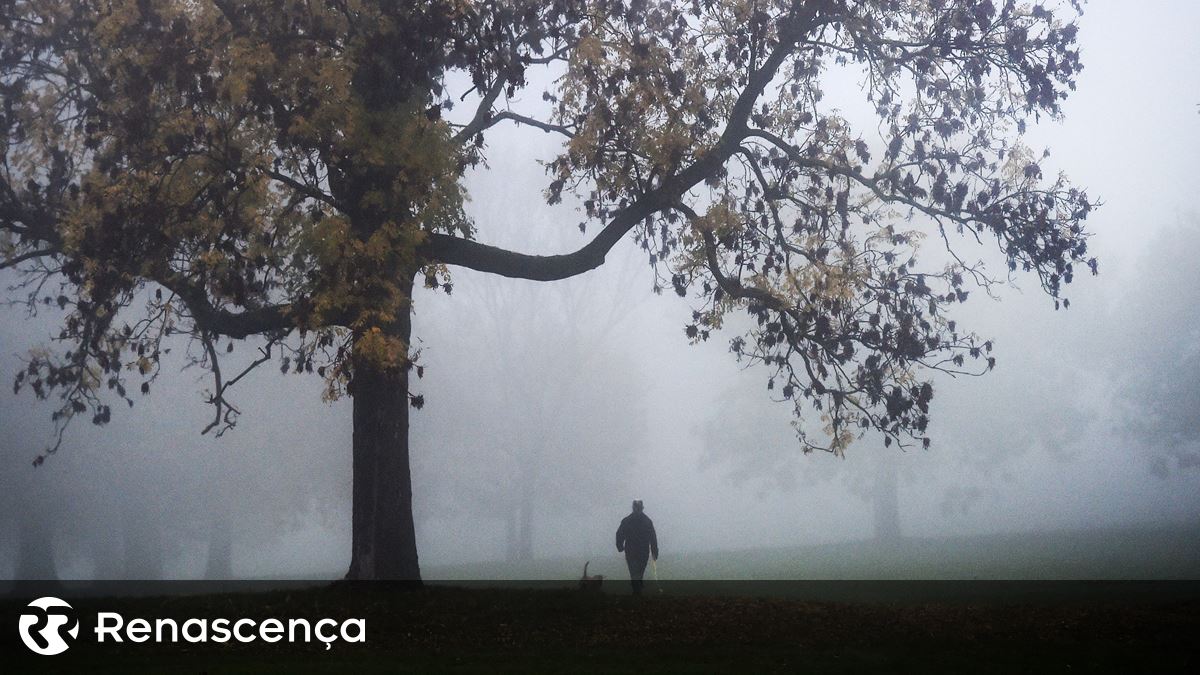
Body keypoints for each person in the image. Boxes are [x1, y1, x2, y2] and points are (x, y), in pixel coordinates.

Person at [615, 499, 658, 595]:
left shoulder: (647, 521)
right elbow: (620, 534)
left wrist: (655, 551)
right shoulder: (627, 521)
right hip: (632, 552)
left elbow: (653, 537)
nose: (637, 510)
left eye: (639, 508)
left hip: (642, 552)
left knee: (639, 571)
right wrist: (619, 546)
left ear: (642, 508)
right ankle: (637, 590)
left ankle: (637, 589)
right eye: (636, 508)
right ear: (633, 508)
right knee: (634, 571)